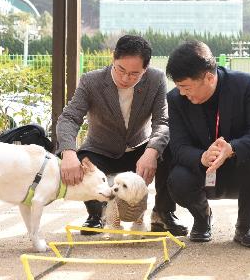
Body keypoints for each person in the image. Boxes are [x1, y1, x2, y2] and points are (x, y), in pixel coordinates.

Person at [56, 35, 187, 236]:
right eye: (121, 70)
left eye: (135, 74)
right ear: (113, 59)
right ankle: (96, 215)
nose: (126, 78)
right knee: (84, 160)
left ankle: (163, 213)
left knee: (167, 149)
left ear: (146, 68)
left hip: (138, 148)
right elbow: (69, 118)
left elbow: (162, 121)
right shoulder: (91, 81)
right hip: (100, 149)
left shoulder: (156, 79)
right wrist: (68, 152)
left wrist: (151, 152)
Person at [165, 40, 250, 248]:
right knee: (177, 177)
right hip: (202, 170)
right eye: (178, 87)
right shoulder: (176, 99)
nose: (182, 93)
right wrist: (202, 157)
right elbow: (178, 147)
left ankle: (245, 226)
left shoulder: (245, 85)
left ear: (209, 77)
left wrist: (232, 149)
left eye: (186, 87)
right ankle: (202, 217)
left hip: (239, 167)